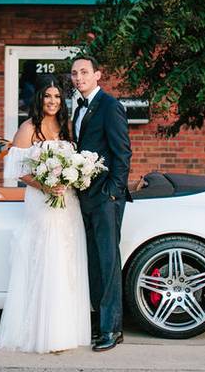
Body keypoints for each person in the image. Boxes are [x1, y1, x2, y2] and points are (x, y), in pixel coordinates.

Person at [0, 76, 92, 353]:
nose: (52, 101)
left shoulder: (67, 126)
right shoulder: (28, 128)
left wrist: (72, 178)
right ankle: (43, 332)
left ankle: (66, 330)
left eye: (57, 97)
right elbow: (18, 171)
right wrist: (46, 186)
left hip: (67, 202)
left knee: (66, 260)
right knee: (45, 259)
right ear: (39, 98)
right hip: (41, 202)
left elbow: (76, 162)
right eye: (48, 96)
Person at [71, 55, 132, 352]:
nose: (79, 77)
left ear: (98, 74)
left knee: (108, 263)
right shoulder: (78, 109)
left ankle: (112, 328)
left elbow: (123, 153)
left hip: (106, 199)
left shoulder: (110, 106)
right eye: (74, 74)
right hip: (85, 197)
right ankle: (100, 323)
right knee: (94, 264)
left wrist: (112, 192)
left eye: (84, 72)